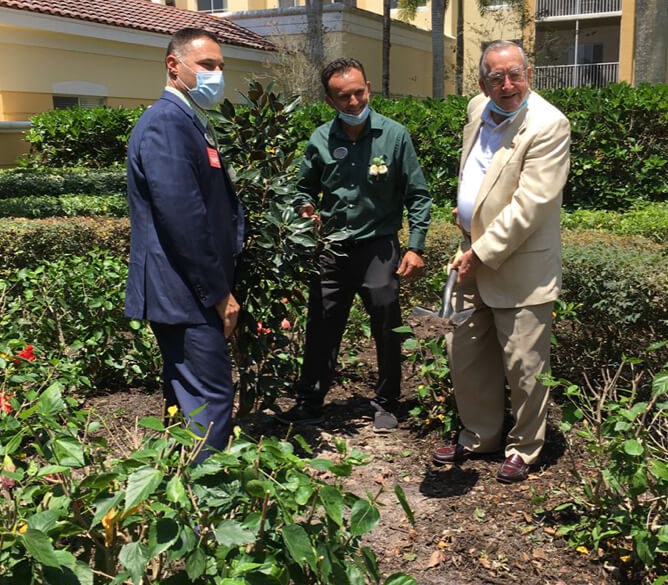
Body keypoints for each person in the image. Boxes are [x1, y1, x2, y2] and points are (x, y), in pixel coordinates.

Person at [433, 40, 570, 482]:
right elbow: (478, 172)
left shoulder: (549, 125)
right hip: (470, 251)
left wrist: (481, 250)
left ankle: (525, 448)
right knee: (467, 353)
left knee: (524, 364)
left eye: (515, 74)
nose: (507, 84)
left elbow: (532, 204)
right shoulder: (478, 107)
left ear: (528, 74)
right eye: (496, 77)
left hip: (519, 263)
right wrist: (465, 213)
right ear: (481, 82)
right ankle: (479, 435)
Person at [277, 57, 432, 433]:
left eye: (358, 92)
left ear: (369, 89)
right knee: (322, 327)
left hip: (378, 248)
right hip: (331, 250)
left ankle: (386, 401)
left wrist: (415, 245)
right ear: (330, 101)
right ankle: (310, 402)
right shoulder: (319, 139)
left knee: (386, 324)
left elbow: (419, 195)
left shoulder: (394, 136)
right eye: (342, 96)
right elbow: (300, 189)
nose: (353, 102)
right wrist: (305, 209)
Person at [125, 27, 244, 459]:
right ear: (174, 66)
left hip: (188, 292)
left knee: (186, 402)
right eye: (207, 65)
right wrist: (218, 294)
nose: (216, 75)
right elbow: (184, 218)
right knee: (210, 401)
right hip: (187, 294)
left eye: (220, 67)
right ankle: (206, 507)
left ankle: (181, 502)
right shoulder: (166, 123)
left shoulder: (187, 119)